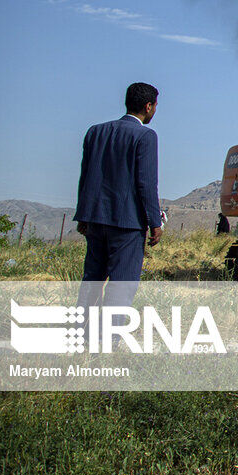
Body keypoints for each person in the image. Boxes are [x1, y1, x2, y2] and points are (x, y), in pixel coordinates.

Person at [74, 82, 163, 308]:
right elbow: (146, 184)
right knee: (121, 285)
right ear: (149, 106)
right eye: (155, 106)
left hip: (95, 219)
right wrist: (155, 223)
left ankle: (83, 335)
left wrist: (83, 215)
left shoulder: (95, 131)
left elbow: (85, 176)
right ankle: (110, 339)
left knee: (91, 281)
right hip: (127, 224)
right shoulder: (146, 136)